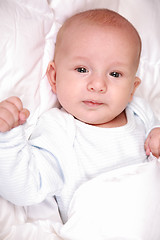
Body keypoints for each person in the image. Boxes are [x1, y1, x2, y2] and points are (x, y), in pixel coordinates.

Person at [0, 9, 160, 224]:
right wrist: (7, 140)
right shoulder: (59, 128)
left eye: (115, 74)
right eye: (82, 69)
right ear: (54, 77)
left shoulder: (142, 113)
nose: (98, 85)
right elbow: (26, 188)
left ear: (133, 88)